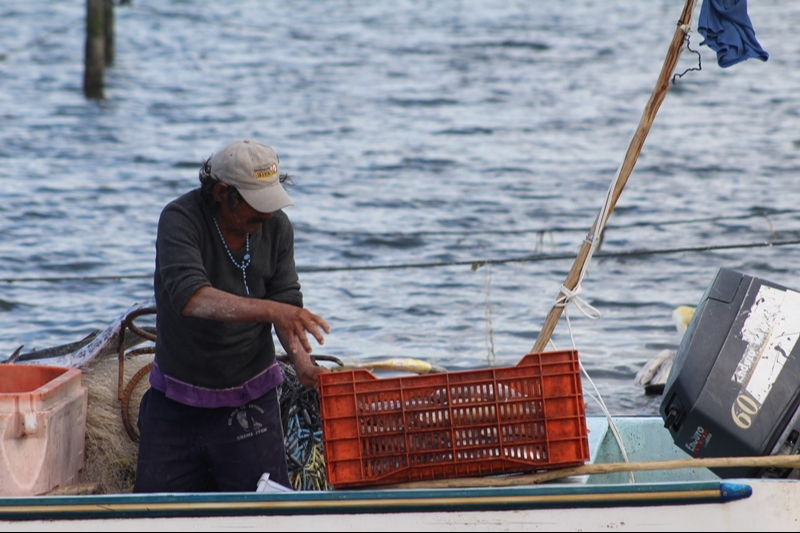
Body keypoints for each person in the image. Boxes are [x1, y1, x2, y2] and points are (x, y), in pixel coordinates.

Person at [134, 139, 330, 493]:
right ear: (223, 193)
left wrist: (303, 364)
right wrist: (273, 310)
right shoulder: (180, 219)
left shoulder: (277, 228)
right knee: (154, 515)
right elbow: (192, 298)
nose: (267, 216)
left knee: (266, 514)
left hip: (251, 399)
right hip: (176, 401)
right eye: (257, 207)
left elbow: (286, 299)